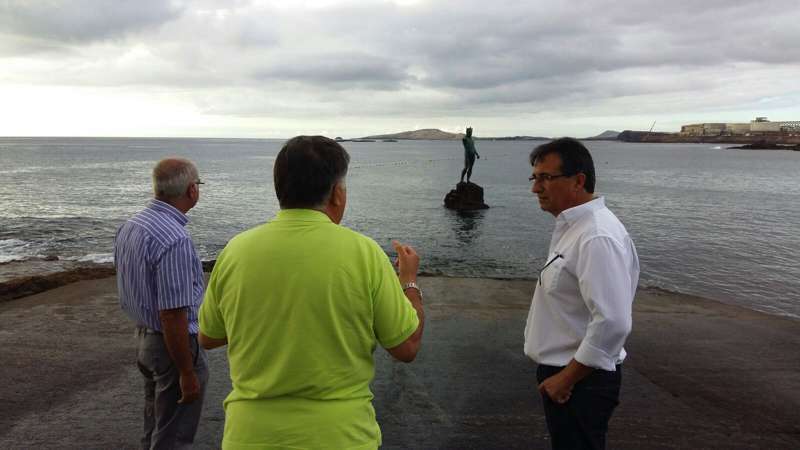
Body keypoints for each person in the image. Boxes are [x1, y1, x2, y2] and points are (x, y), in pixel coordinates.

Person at [198, 135, 424, 449]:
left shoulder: (236, 251)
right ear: (337, 194)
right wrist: (409, 282)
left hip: (250, 436)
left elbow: (208, 336)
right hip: (340, 437)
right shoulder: (364, 253)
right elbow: (407, 347)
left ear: (280, 190)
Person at [523, 138, 639, 450]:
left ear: (578, 181)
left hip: (580, 381)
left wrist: (567, 379)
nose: (536, 188)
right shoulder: (575, 227)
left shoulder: (595, 236)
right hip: (570, 375)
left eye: (546, 178)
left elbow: (613, 322)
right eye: (535, 177)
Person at [114, 158, 208, 449]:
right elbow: (172, 314)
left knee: (154, 425)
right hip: (171, 347)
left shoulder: (131, 225)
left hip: (144, 338)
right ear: (191, 190)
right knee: (174, 435)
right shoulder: (174, 239)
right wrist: (187, 372)